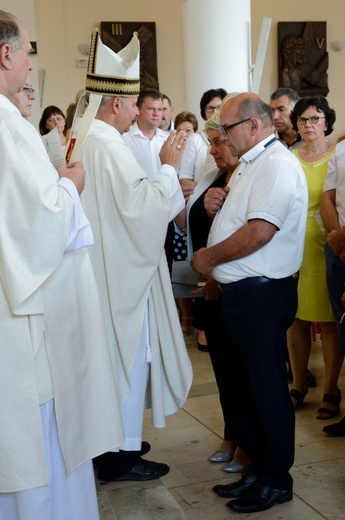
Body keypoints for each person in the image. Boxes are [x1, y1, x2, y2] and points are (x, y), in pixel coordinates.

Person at [0, 10, 123, 519]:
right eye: (28, 49)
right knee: (32, 439)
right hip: (19, 320)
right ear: (5, 53)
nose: (31, 62)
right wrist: (70, 184)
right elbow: (40, 222)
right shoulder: (6, 122)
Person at [69, 28, 193, 482]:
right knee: (126, 356)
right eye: (135, 103)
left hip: (105, 270)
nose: (140, 112)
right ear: (117, 103)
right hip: (119, 276)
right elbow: (143, 210)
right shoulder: (107, 143)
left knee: (113, 359)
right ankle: (118, 455)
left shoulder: (89, 138)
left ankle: (116, 441)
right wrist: (167, 166)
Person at [190, 92, 308, 514]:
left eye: (227, 128)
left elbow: (260, 232)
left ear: (253, 126)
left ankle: (277, 479)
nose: (222, 136)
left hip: (262, 293)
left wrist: (208, 258)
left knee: (267, 390)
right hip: (243, 294)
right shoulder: (249, 165)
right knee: (248, 389)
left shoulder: (276, 165)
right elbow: (240, 221)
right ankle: (257, 468)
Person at [177, 107, 250, 472]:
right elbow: (185, 221)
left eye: (218, 142)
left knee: (242, 370)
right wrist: (193, 204)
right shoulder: (211, 176)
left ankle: (247, 442)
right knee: (222, 367)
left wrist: (212, 213)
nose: (213, 151)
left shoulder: (247, 175)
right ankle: (230, 433)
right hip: (208, 286)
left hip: (233, 285)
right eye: (210, 144)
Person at [287, 96, 343, 418]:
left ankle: (331, 388)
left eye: (314, 118)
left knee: (328, 318)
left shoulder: (339, 155)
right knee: (295, 318)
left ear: (326, 121)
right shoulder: (289, 158)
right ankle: (298, 384)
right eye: (302, 120)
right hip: (295, 247)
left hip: (327, 244)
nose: (308, 125)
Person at [179, 87, 227, 350]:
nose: (216, 111)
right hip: (200, 211)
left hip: (223, 204)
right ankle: (202, 326)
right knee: (199, 268)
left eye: (221, 107)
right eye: (211, 108)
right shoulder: (197, 143)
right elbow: (185, 179)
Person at [320, 140, 345, 436]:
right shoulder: (341, 149)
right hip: (338, 249)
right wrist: (338, 239)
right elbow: (327, 198)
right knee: (343, 329)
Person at [172, 111, 199, 336]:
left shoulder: (200, 151)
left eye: (188, 131)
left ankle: (197, 317)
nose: (184, 135)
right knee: (180, 263)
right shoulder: (172, 154)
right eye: (179, 131)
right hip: (177, 213)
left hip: (194, 209)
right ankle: (186, 315)